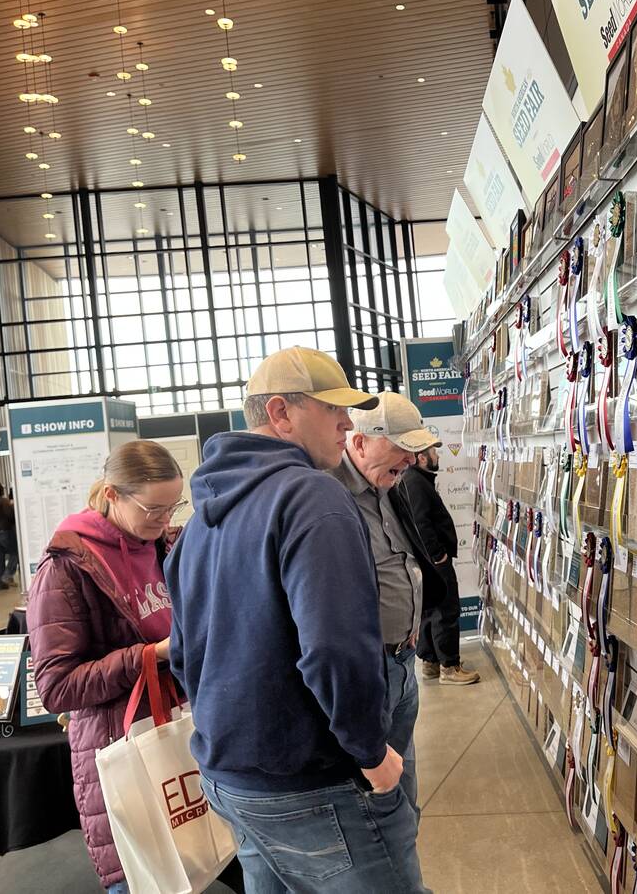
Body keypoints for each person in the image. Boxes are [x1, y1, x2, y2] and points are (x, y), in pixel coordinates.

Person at [166, 346, 429, 894]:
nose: (345, 422)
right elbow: (336, 650)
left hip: (230, 778)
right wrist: (371, 752)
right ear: (281, 413)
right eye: (331, 409)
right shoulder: (313, 496)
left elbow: (186, 654)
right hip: (311, 783)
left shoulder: (199, 521)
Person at [26, 441, 186, 894]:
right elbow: (56, 686)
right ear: (113, 494)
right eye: (153, 508)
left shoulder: (166, 544)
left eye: (173, 505)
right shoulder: (66, 568)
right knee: (141, 879)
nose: (164, 519)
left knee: (201, 856)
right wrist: (149, 656)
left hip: (180, 729)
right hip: (120, 745)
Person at [328, 392, 442, 811]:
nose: (412, 460)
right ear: (360, 442)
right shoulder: (328, 498)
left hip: (403, 659)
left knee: (404, 778)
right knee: (378, 792)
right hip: (369, 668)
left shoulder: (388, 484)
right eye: (403, 448)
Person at [395, 444, 480, 686]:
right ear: (422, 457)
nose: (438, 455)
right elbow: (421, 522)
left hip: (430, 560)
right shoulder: (415, 481)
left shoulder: (417, 478)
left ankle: (431, 662)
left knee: (432, 611)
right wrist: (437, 555)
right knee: (446, 610)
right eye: (434, 452)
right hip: (435, 562)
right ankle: (450, 667)